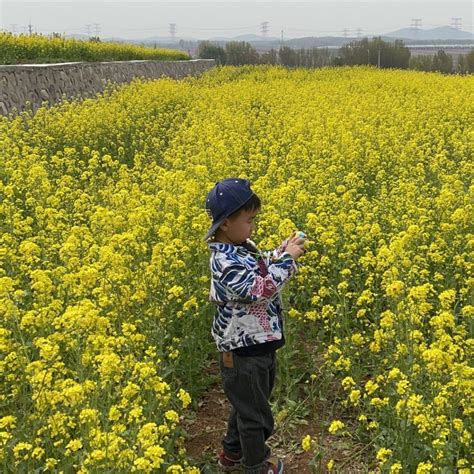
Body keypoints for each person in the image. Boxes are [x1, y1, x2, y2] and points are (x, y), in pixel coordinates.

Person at [203, 178, 306, 474]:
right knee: (256, 415)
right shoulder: (223, 260)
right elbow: (259, 288)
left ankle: (232, 454)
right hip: (242, 351)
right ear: (225, 223)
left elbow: (260, 266)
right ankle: (256, 466)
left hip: (258, 344)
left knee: (247, 405)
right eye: (249, 220)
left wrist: (280, 252)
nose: (253, 226)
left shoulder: (240, 247)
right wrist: (287, 261)